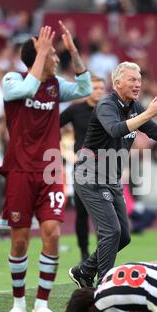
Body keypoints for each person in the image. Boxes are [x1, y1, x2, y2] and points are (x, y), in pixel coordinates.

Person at [0, 23, 91, 312]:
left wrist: (73, 50)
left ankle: (41, 305)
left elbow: (85, 87)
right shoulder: (13, 80)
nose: (56, 58)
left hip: (50, 169)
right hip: (20, 169)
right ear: (37, 54)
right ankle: (18, 305)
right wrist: (41, 53)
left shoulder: (56, 86)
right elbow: (27, 89)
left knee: (51, 233)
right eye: (52, 53)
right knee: (20, 240)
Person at [69, 61, 157, 288]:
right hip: (90, 173)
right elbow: (116, 129)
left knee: (123, 235)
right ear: (117, 83)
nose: (138, 84)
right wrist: (149, 113)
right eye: (132, 79)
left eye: (139, 80)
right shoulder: (106, 104)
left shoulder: (134, 107)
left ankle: (84, 270)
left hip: (110, 177)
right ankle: (104, 286)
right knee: (111, 231)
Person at [60, 76, 106, 263]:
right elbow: (53, 126)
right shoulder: (75, 109)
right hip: (82, 167)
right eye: (95, 87)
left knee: (103, 213)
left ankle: (102, 254)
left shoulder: (109, 110)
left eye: (101, 88)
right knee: (82, 213)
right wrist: (62, 150)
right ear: (87, 89)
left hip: (105, 166)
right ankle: (84, 254)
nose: (98, 91)